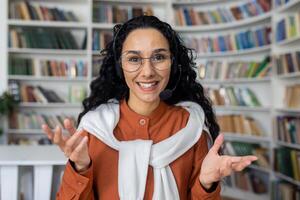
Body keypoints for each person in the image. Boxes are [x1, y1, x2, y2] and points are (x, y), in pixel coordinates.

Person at [42, 15, 257, 200]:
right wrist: (80, 169)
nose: (147, 72)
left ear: (173, 63)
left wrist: (206, 184)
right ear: (120, 66)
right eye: (134, 59)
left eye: (159, 57)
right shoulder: (94, 129)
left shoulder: (190, 128)